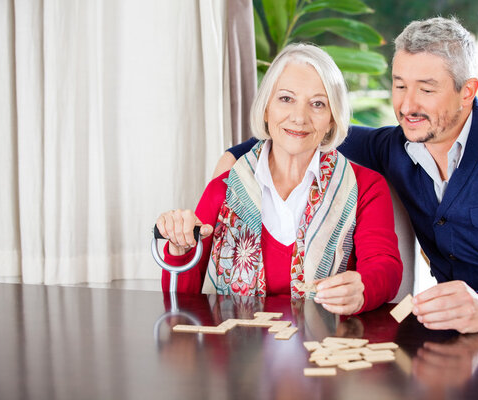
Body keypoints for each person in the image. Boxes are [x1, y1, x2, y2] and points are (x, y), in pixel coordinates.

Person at [223, 17, 478, 332]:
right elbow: (312, 130)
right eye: (400, 85)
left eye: (426, 89)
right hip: (464, 333)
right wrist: (233, 158)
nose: (407, 105)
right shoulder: (393, 147)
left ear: (467, 92)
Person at [156, 43, 403, 315]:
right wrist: (179, 249)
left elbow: (385, 268)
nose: (299, 117)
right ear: (266, 109)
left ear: (332, 120)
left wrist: (363, 289)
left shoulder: (367, 188)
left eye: (318, 104)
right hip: (234, 355)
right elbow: (181, 302)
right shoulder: (222, 190)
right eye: (286, 99)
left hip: (326, 351)